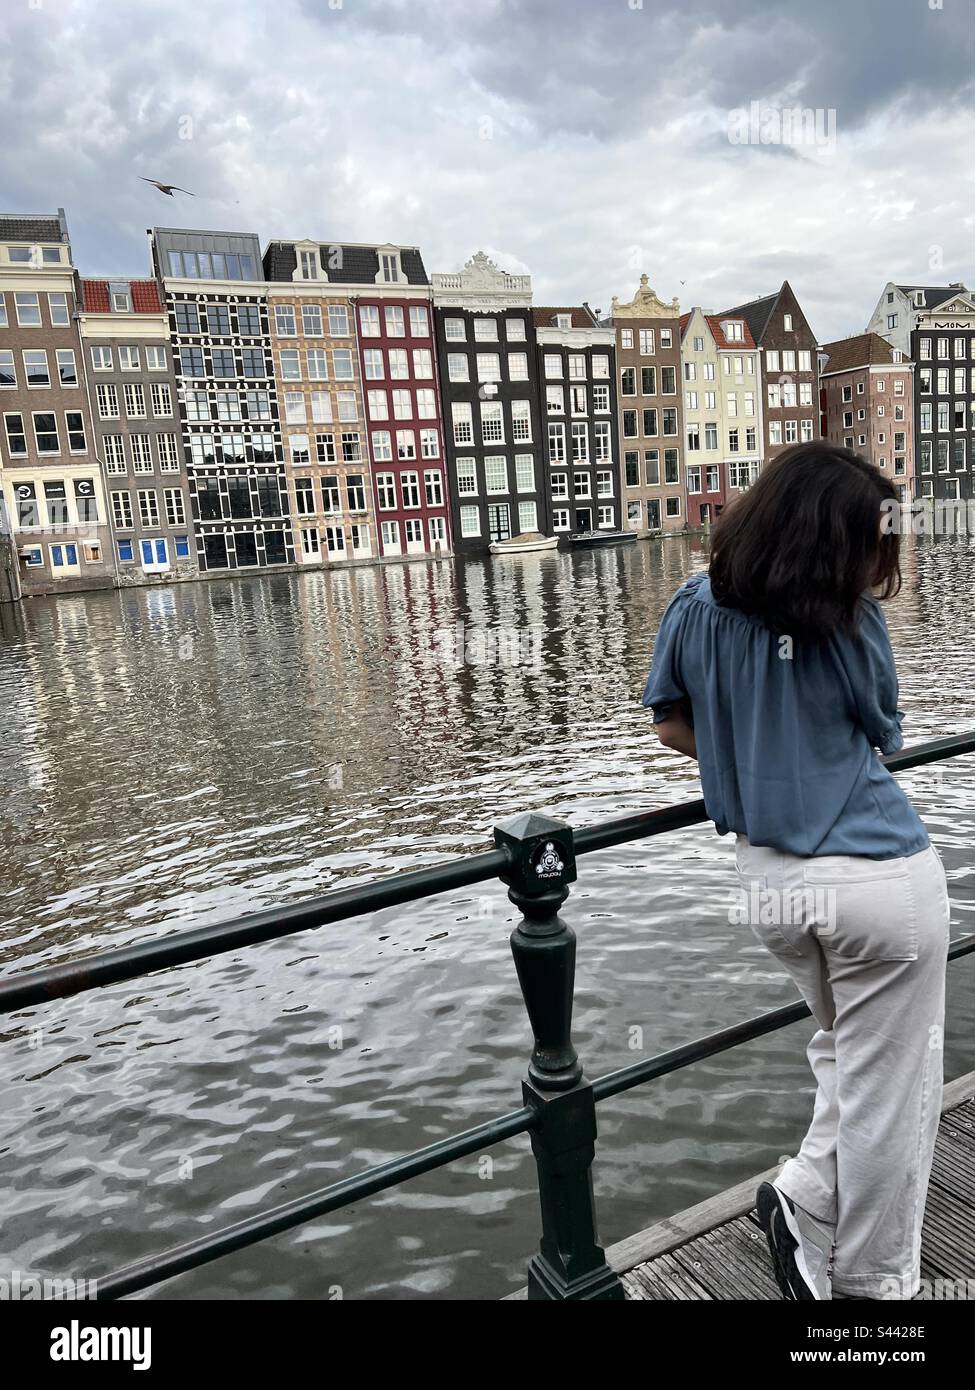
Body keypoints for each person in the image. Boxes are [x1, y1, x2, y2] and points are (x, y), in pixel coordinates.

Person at [642, 442, 949, 1302]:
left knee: (847, 1055)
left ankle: (804, 1197)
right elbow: (882, 733)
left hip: (770, 884)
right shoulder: (848, 620)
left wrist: (745, 758)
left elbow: (670, 723)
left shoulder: (693, 605)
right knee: (894, 1090)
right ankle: (870, 1292)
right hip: (879, 884)